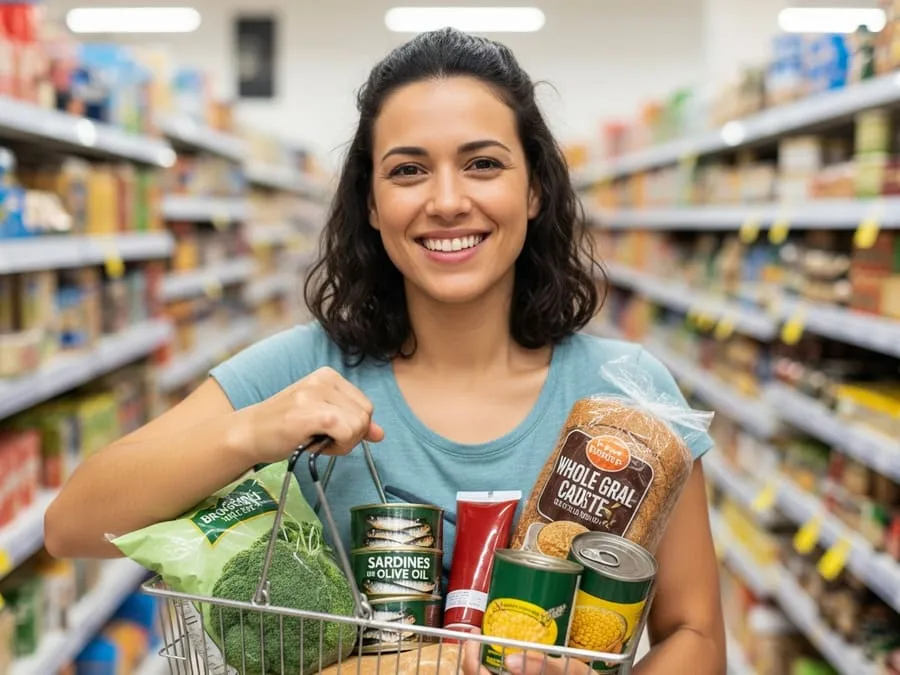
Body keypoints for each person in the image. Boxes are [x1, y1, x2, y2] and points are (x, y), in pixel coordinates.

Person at [45, 28, 726, 675]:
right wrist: (250, 431)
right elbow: (70, 524)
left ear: (536, 189)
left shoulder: (628, 393)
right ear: (370, 202)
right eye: (408, 170)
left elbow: (695, 634)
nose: (448, 200)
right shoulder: (300, 372)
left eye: (483, 164)